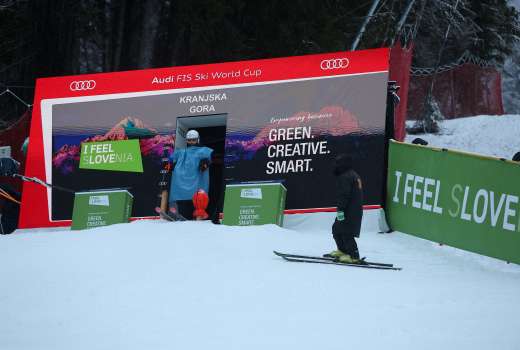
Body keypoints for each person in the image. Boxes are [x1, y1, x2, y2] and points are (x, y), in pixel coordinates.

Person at [325, 154, 363, 263]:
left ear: (343, 164)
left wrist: (340, 210)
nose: (335, 166)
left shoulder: (346, 176)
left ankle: (354, 256)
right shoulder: (352, 175)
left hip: (348, 210)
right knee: (337, 228)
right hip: (350, 210)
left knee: (346, 232)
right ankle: (342, 250)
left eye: (338, 163)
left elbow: (344, 195)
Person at [168, 130, 213, 220]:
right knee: (182, 198)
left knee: (197, 198)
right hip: (181, 178)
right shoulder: (181, 152)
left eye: (193, 140)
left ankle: (199, 216)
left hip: (197, 177)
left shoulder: (204, 150)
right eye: (189, 140)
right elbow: (171, 159)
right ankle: (178, 213)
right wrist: (171, 165)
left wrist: (206, 162)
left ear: (197, 139)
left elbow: (209, 159)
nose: (191, 142)